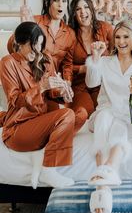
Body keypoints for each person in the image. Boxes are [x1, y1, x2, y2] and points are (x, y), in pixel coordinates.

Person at [85, 19, 132, 213]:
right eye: (118, 37)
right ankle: (104, 182)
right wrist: (95, 58)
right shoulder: (106, 62)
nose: (121, 41)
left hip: (129, 116)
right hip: (106, 109)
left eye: (126, 37)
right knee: (104, 120)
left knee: (119, 126)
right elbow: (91, 83)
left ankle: (103, 182)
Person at [0, 22, 81, 189]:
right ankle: (49, 170)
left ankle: (41, 155)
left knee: (80, 114)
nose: (37, 50)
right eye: (33, 45)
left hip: (40, 122)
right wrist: (41, 86)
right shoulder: (8, 63)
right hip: (18, 128)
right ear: (19, 43)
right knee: (67, 116)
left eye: (40, 45)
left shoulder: (44, 59)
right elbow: (15, 100)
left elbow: (51, 94)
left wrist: (62, 92)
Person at [8, 0, 76, 88]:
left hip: (54, 87)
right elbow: (12, 49)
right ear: (47, 2)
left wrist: (67, 83)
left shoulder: (70, 34)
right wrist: (22, 29)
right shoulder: (34, 21)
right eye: (56, 0)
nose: (60, 4)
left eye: (64, 1)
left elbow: (67, 64)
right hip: (33, 82)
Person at [68, 0, 113, 119]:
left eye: (86, 7)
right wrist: (82, 69)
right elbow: (63, 66)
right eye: (78, 9)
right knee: (86, 112)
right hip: (79, 86)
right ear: (73, 14)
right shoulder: (69, 34)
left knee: (104, 113)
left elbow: (119, 55)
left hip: (102, 84)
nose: (83, 12)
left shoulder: (106, 28)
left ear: (92, 10)